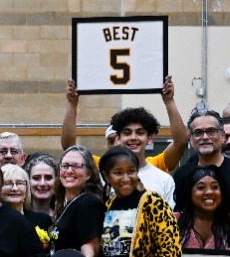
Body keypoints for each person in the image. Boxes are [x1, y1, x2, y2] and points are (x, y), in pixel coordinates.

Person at [60, 77, 189, 204]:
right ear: (118, 138)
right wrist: (72, 104)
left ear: (149, 139)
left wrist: (169, 101)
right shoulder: (103, 169)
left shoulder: (159, 170)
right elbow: (69, 147)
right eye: (127, 133)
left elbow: (181, 142)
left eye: (140, 132)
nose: (133, 137)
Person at [170, 109, 230, 220]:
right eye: (198, 132)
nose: (205, 137)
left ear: (223, 136)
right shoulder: (182, 174)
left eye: (211, 131)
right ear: (190, 138)